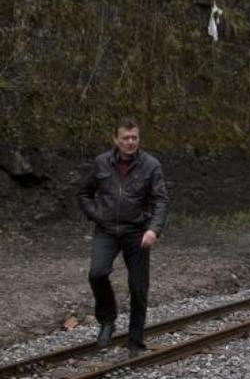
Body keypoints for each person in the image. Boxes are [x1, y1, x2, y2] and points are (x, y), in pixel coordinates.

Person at [77, 118, 169, 358]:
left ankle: (135, 342)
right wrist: (97, 215)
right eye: (126, 138)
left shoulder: (151, 165)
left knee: (138, 288)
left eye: (134, 138)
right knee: (97, 273)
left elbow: (160, 200)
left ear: (138, 138)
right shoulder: (101, 163)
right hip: (107, 231)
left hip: (137, 233)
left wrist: (153, 229)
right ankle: (107, 320)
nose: (130, 142)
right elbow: (84, 193)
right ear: (116, 139)